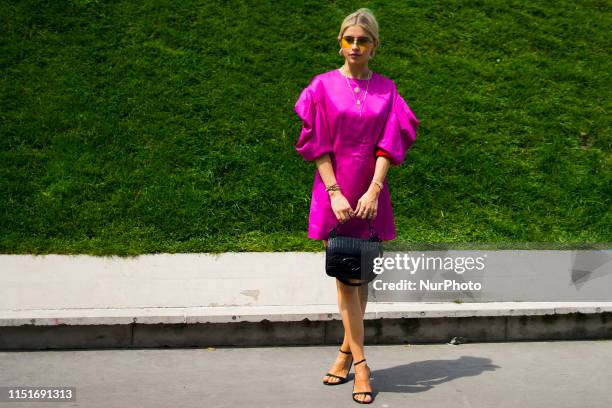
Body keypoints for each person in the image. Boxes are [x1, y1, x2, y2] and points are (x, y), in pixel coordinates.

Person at [293, 8, 420, 404]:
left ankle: (346, 351)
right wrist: (334, 191)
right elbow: (317, 144)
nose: (354, 46)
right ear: (340, 42)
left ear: (374, 46)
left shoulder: (387, 89)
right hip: (336, 191)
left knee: (361, 274)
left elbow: (391, 141)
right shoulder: (322, 87)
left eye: (362, 40)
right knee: (345, 274)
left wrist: (374, 189)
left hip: (370, 193)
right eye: (349, 39)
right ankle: (363, 364)